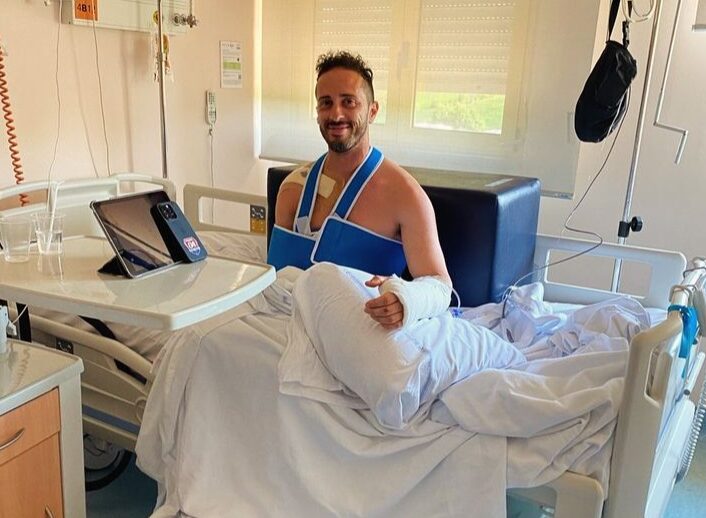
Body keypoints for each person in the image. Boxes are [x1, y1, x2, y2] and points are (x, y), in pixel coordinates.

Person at [267, 50, 451, 330]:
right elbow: (275, 279)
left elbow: (440, 286)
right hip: (284, 326)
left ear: (372, 111)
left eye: (348, 102)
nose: (336, 114)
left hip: (360, 330)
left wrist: (406, 298)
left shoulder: (405, 196)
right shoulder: (293, 189)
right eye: (326, 103)